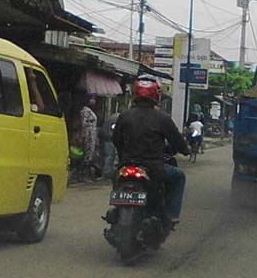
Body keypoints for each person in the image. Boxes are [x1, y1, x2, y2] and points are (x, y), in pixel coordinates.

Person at [113, 77, 190, 226]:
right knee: (179, 176)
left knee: (116, 179)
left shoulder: (124, 116)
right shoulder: (162, 118)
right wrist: (185, 150)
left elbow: (116, 139)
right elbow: (177, 141)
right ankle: (171, 215)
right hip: (154, 167)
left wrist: (123, 157)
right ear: (155, 96)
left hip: (126, 165)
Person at [80, 94, 99, 182]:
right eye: (91, 99)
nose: (93, 101)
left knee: (90, 155)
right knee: (86, 156)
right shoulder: (85, 111)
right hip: (87, 135)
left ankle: (87, 175)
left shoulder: (91, 111)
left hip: (92, 135)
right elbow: (83, 124)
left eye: (94, 99)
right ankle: (83, 175)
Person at [99, 112, 120, 179]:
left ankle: (103, 171)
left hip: (104, 137)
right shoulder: (117, 119)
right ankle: (107, 173)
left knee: (104, 155)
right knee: (109, 156)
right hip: (108, 138)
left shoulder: (114, 116)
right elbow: (113, 129)